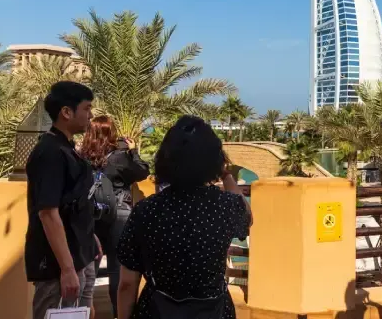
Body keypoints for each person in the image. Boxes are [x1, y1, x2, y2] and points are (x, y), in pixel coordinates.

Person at [116, 115, 252, 319]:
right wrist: (225, 174)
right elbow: (247, 217)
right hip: (213, 310)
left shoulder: (146, 210)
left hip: (158, 310)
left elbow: (127, 284)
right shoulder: (226, 206)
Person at [25, 81, 101, 319]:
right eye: (87, 108)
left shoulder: (66, 149)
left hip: (81, 256)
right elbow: (48, 213)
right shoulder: (50, 152)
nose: (90, 115)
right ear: (67, 112)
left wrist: (89, 236)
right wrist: (67, 269)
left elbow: (73, 202)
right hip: (59, 267)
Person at [79, 116, 150, 318]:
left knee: (88, 268)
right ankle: (118, 314)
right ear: (111, 133)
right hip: (119, 215)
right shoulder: (119, 157)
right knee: (117, 269)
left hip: (90, 216)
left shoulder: (82, 158)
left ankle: (84, 312)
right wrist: (133, 151)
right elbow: (143, 171)